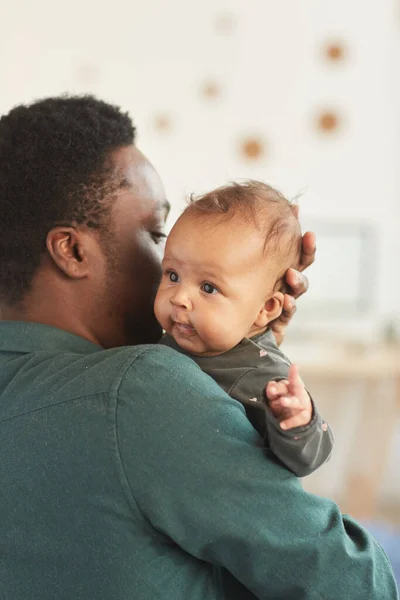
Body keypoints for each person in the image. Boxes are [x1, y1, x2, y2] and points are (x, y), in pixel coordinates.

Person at [0, 95, 397, 600]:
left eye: (208, 284)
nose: (180, 291)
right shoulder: (142, 391)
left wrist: (238, 358)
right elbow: (359, 584)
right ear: (73, 250)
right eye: (157, 235)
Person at [155, 181, 334, 478]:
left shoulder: (263, 377)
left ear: (266, 309)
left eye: (208, 287)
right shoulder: (173, 338)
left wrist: (298, 421)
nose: (178, 298)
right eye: (173, 275)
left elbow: (311, 458)